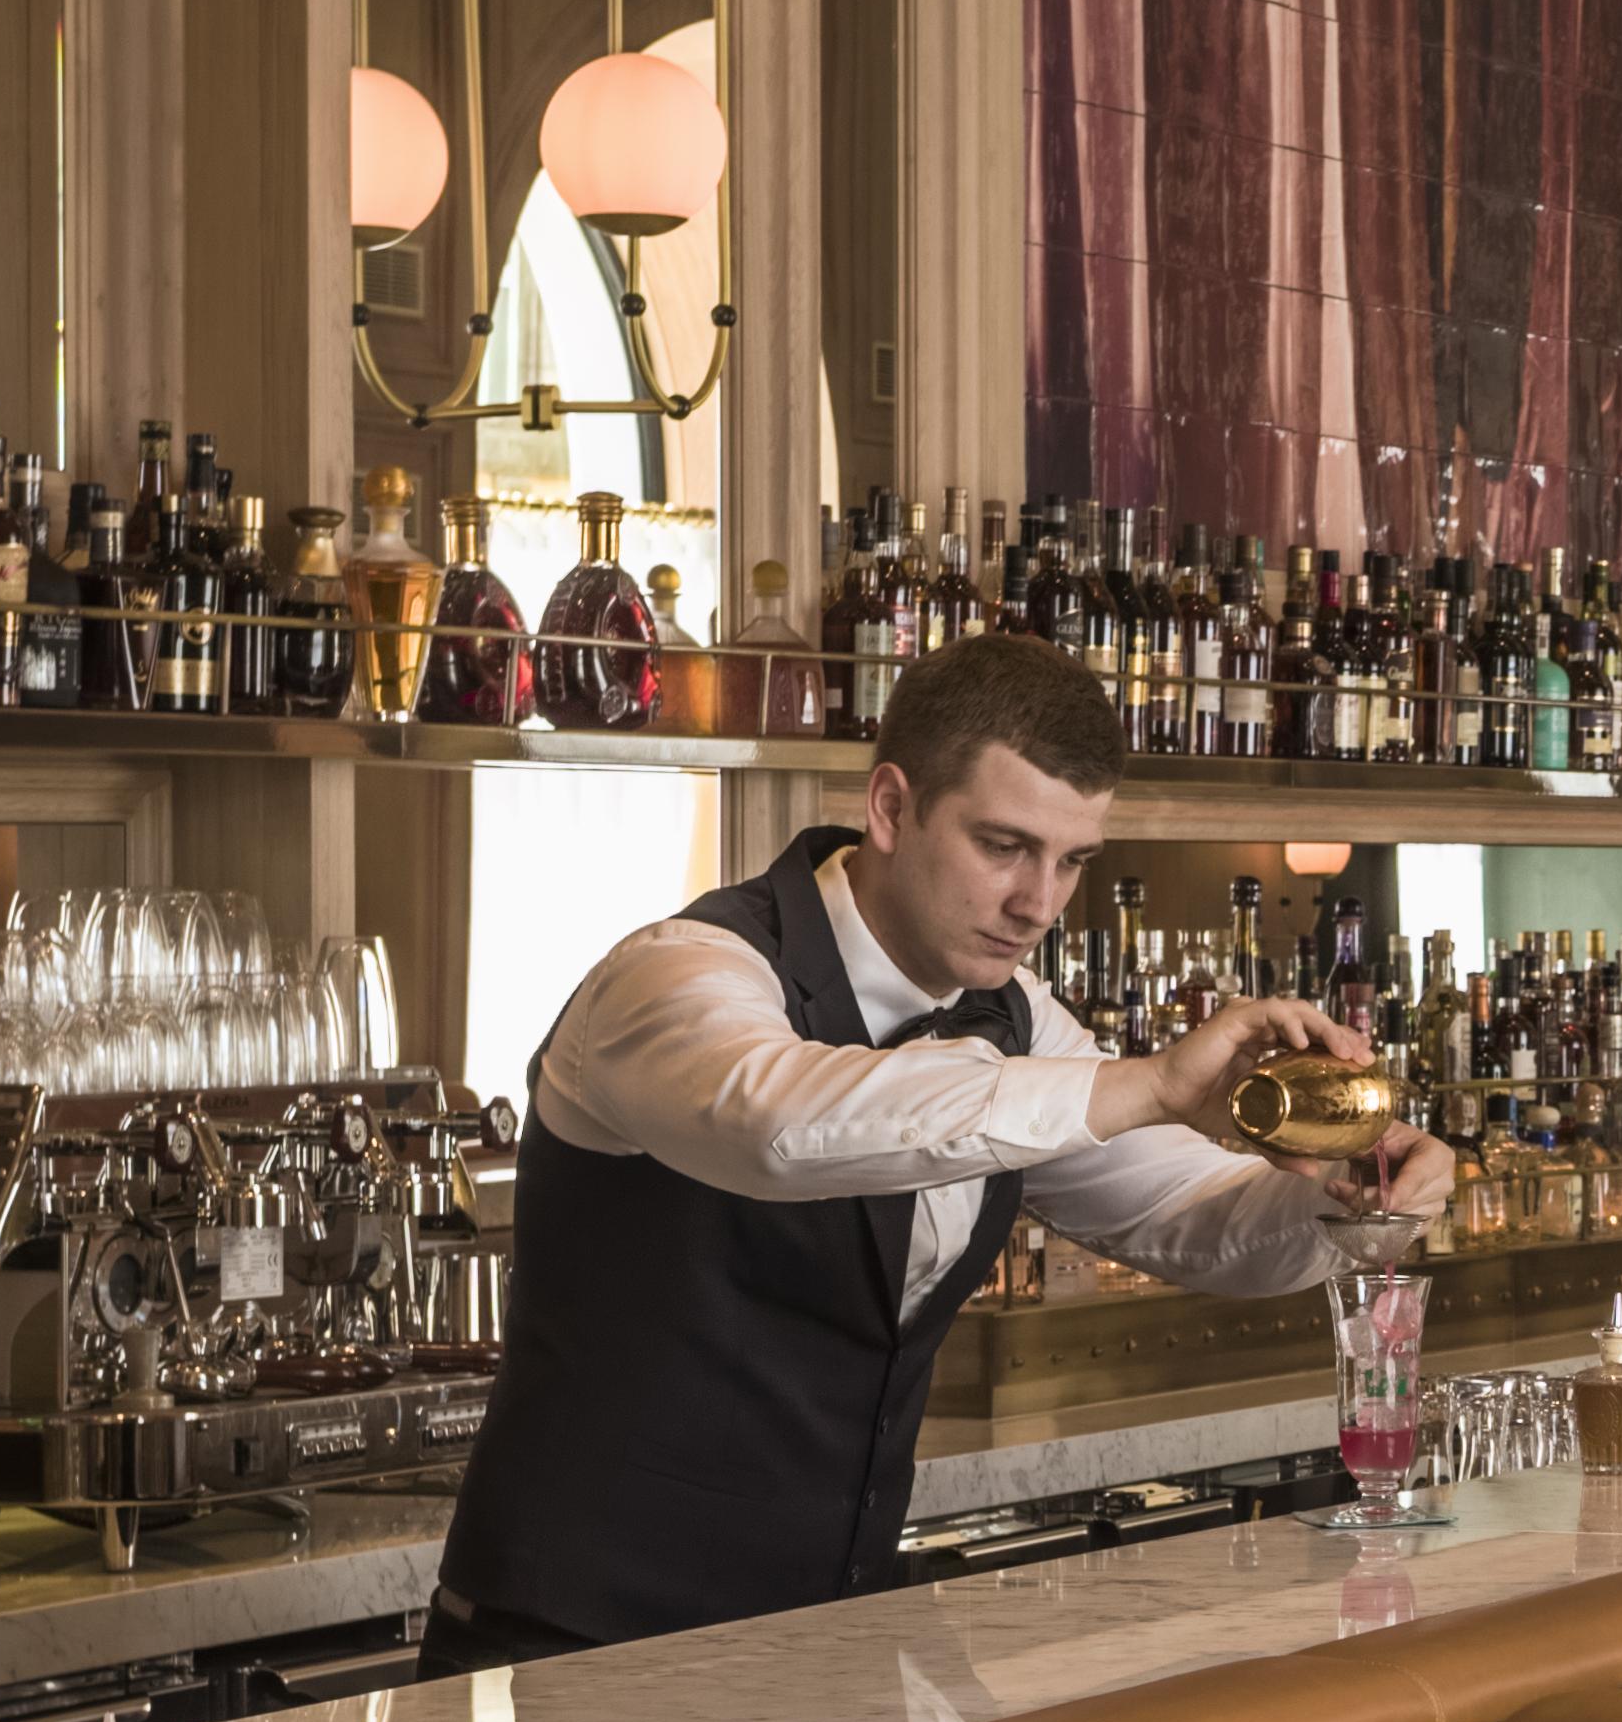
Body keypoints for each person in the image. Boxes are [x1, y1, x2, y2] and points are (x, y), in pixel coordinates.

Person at [427, 630, 1449, 1663]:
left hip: (832, 1634)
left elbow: (1188, 1221)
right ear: (890, 807)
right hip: (578, 1637)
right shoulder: (676, 974)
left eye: (1071, 860)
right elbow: (777, 1124)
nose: (1038, 902)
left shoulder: (1014, 1019)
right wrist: (1146, 1083)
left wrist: (1353, 1202)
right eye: (1002, 846)